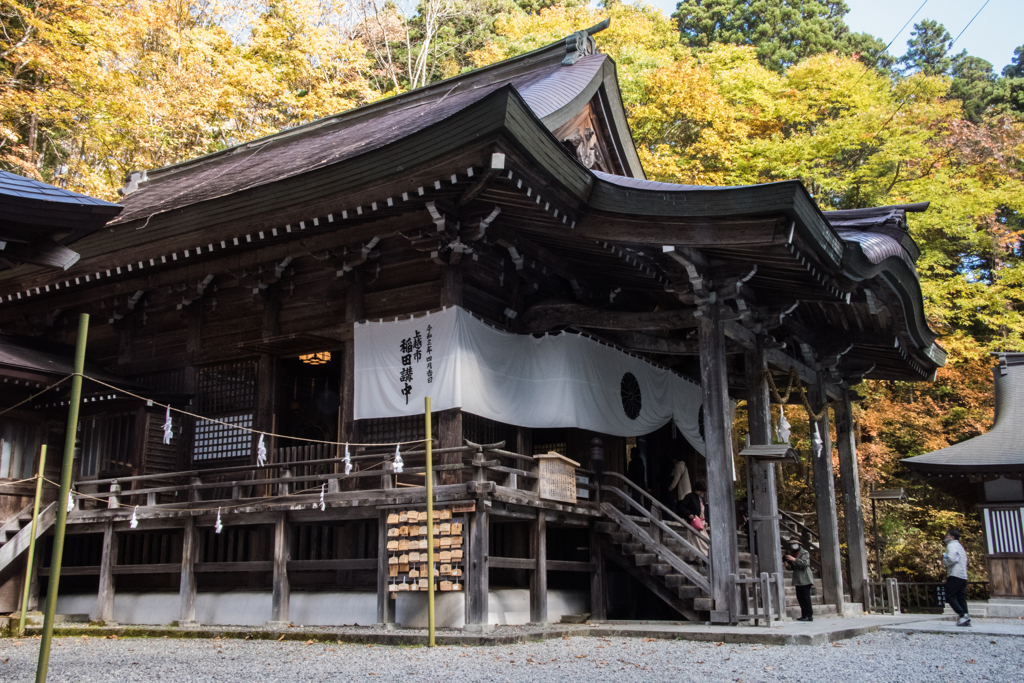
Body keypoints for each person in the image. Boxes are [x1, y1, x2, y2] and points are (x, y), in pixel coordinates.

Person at [943, 528, 971, 627]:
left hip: (955, 574)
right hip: (963, 575)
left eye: (947, 536)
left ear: (952, 537)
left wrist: (945, 560)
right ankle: (965, 618)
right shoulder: (960, 546)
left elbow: (951, 558)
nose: (946, 537)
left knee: (949, 595)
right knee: (960, 597)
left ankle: (962, 614)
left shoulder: (951, 545)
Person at [784, 539, 813, 621]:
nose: (793, 545)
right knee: (800, 597)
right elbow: (792, 567)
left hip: (805, 577)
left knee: (806, 597)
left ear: (799, 544)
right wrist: (787, 564)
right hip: (797, 578)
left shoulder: (804, 552)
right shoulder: (792, 554)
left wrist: (794, 559)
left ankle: (809, 615)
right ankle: (804, 615)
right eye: (792, 544)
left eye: (795, 544)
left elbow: (805, 563)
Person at [679, 481, 709, 557]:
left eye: (702, 491)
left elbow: (705, 511)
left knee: (704, 541)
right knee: (694, 541)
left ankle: (704, 557)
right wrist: (688, 514)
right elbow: (682, 507)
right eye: (700, 490)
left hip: (702, 522)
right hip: (694, 522)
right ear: (696, 489)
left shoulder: (702, 499)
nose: (701, 492)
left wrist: (707, 521)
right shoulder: (689, 496)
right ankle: (695, 558)